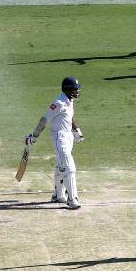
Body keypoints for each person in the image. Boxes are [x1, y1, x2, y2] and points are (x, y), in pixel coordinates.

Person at [25, 77, 84, 209]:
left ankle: (58, 195)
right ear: (68, 89)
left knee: (60, 166)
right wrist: (33, 137)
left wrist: (76, 130)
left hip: (68, 137)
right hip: (59, 138)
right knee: (69, 167)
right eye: (75, 89)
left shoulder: (69, 100)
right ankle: (72, 199)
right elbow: (44, 120)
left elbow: (70, 116)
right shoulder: (58, 103)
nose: (77, 91)